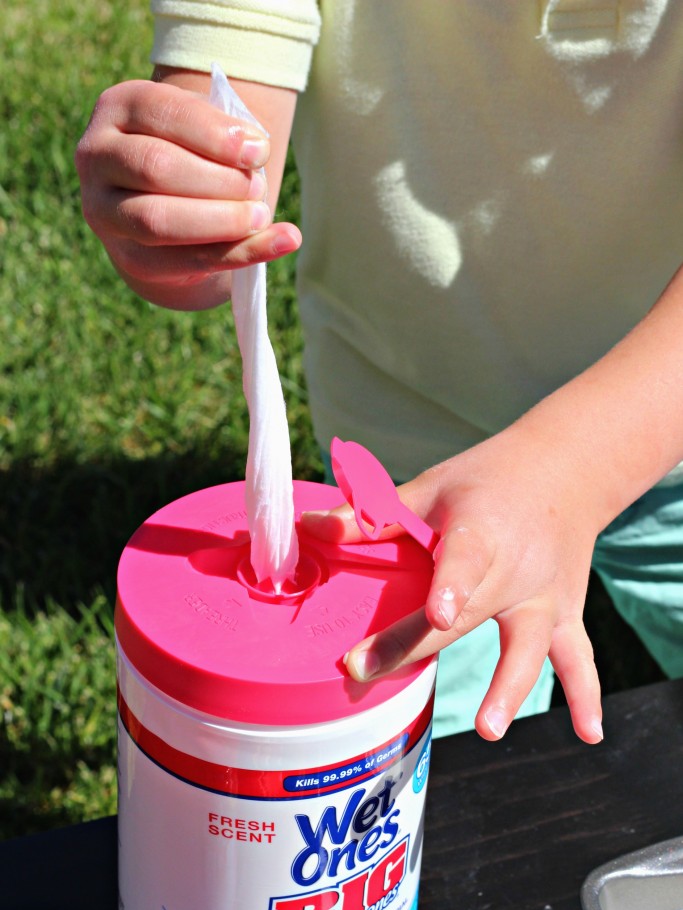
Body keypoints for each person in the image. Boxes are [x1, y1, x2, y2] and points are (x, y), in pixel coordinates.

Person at [75, 1, 683, 745]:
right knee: (403, 770)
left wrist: (572, 468)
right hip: (405, 475)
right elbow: (223, 196)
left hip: (666, 432)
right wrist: (173, 203)